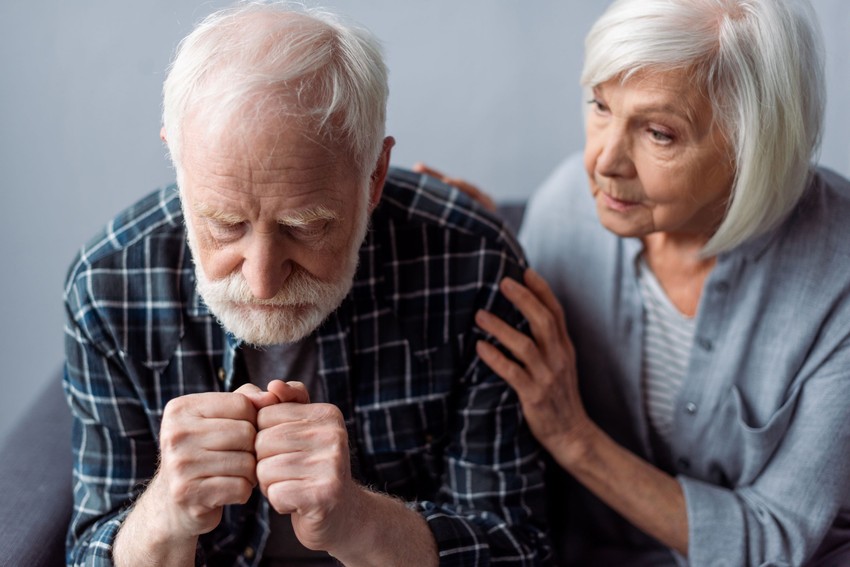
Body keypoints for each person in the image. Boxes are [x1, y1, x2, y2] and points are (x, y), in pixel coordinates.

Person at [62, 2, 551, 566]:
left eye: (305, 227)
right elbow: (87, 547)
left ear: (374, 177)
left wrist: (362, 523)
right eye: (225, 224)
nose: (263, 281)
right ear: (177, 160)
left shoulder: (473, 266)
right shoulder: (107, 286)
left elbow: (520, 549)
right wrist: (164, 519)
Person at [421, 0, 850, 564]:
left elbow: (778, 540)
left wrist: (575, 439)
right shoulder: (563, 208)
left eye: (659, 133)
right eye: (600, 105)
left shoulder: (838, 274)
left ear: (755, 145)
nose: (603, 161)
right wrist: (485, 246)